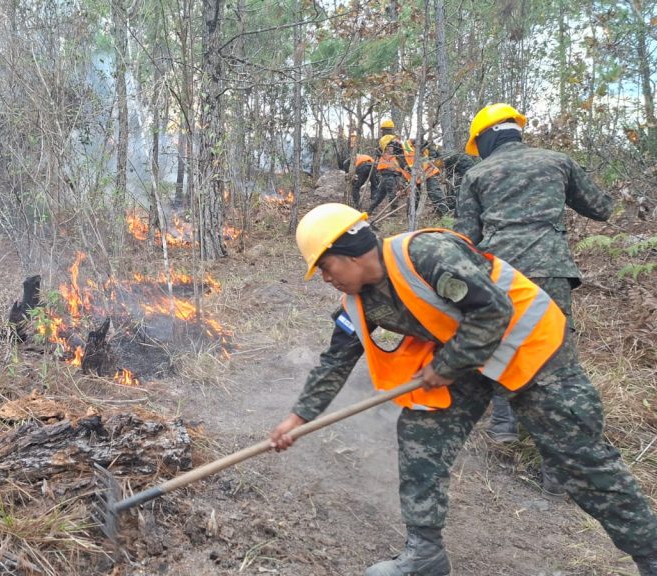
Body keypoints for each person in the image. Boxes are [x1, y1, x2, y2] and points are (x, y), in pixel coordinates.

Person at [270, 203, 657, 576]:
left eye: (324, 266)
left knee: (581, 462)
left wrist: (446, 365)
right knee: (422, 433)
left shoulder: (425, 253)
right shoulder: (356, 303)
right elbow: (334, 362)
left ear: (350, 252)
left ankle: (651, 553)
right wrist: (297, 417)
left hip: (530, 348)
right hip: (467, 360)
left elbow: (493, 311)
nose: (325, 278)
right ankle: (424, 556)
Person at [455, 103, 614, 499]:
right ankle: (558, 476)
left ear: (486, 137)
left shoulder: (476, 173)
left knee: (500, 342)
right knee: (555, 362)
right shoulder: (558, 162)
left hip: (501, 274)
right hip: (550, 271)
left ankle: (504, 423)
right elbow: (602, 208)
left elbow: (465, 241)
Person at [369, 135, 409, 214]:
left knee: (388, 193)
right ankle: (371, 209)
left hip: (391, 176)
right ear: (386, 147)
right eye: (390, 146)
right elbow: (380, 149)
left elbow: (402, 152)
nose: (392, 148)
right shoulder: (384, 154)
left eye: (392, 147)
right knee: (382, 194)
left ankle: (392, 210)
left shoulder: (395, 156)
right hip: (386, 176)